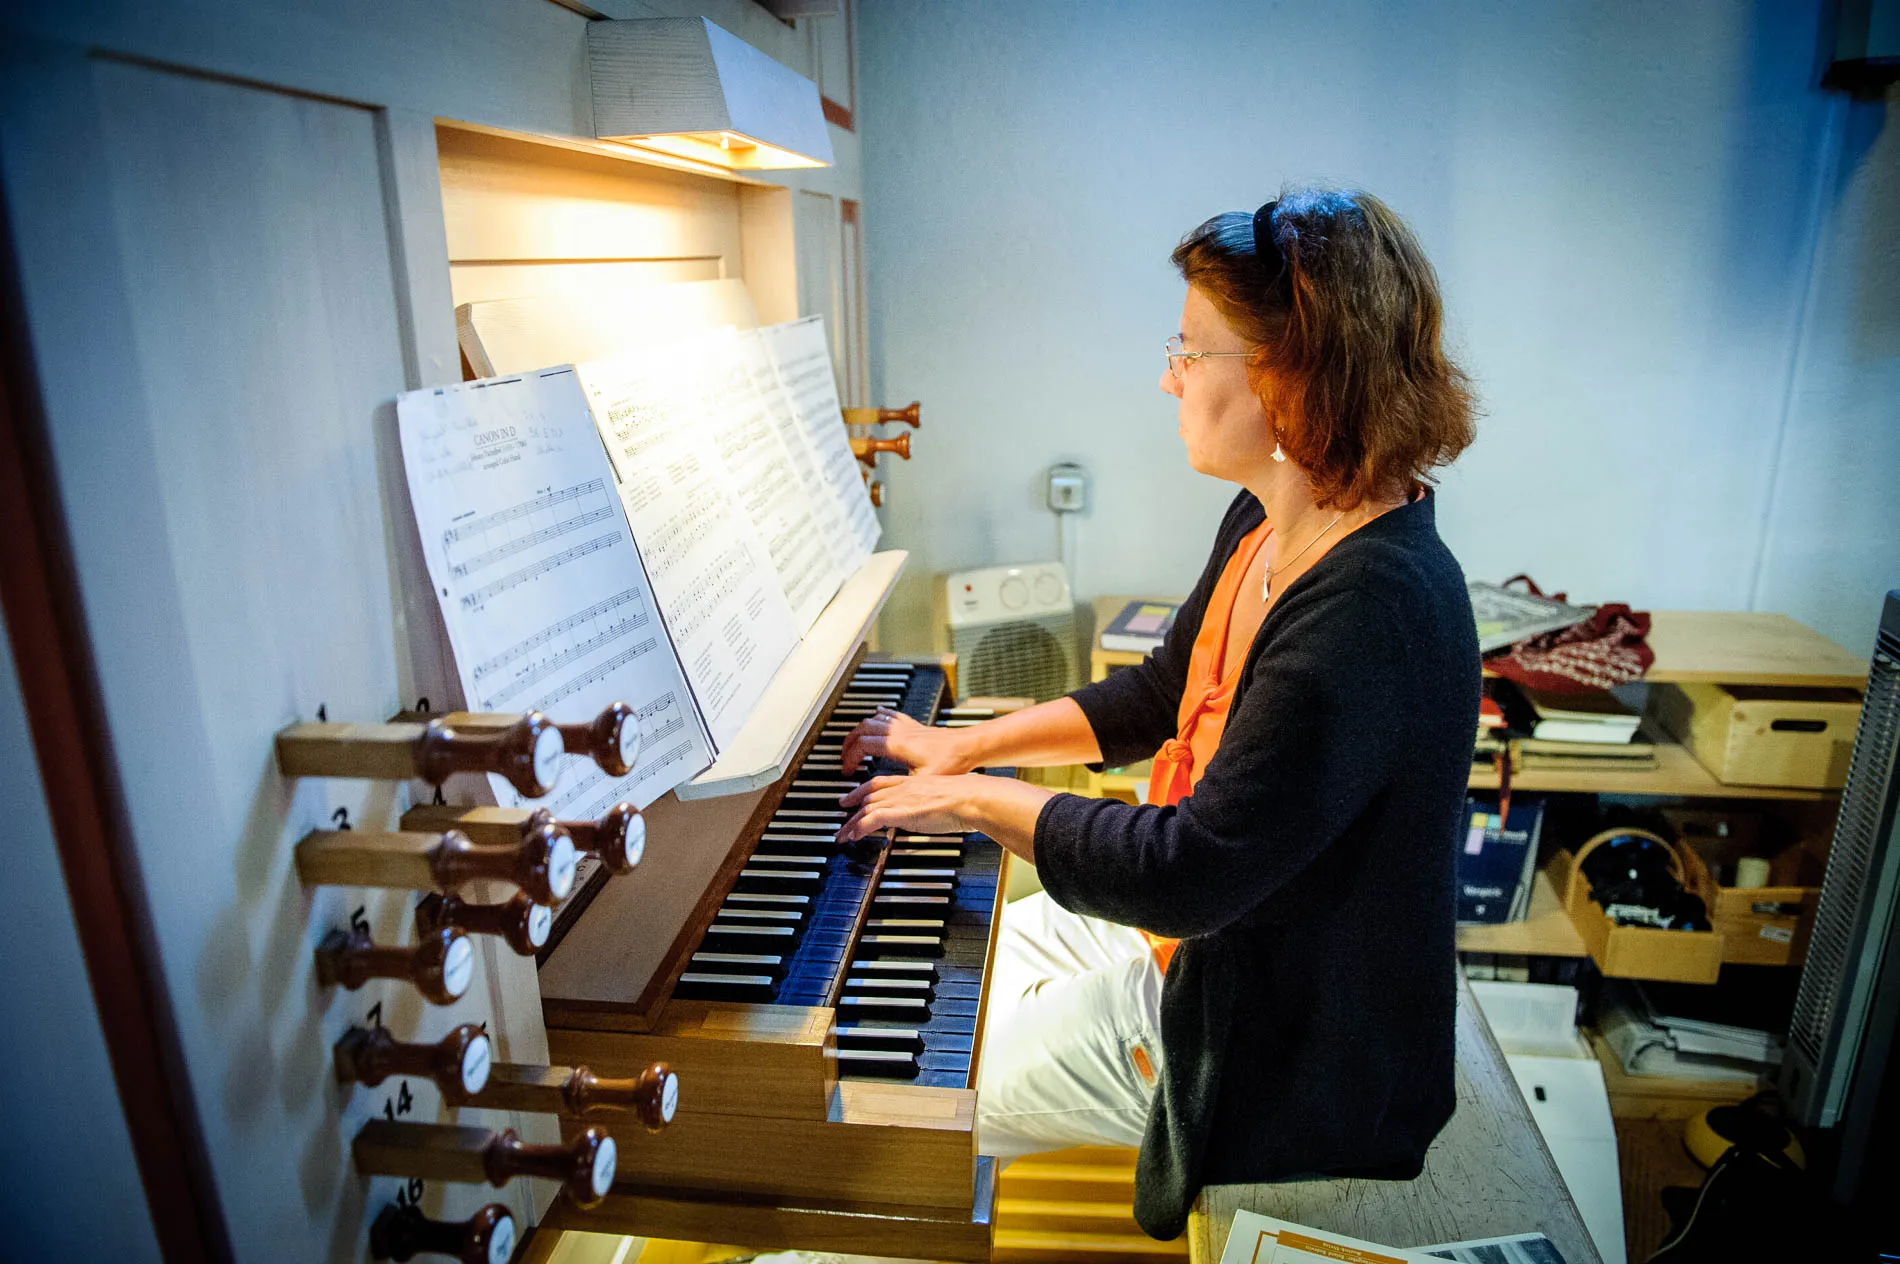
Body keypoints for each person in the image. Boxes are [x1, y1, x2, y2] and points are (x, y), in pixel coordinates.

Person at [836, 186, 1481, 1242]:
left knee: (907, 1093)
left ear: (1288, 376)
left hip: (1282, 1036)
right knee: (945, 968)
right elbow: (1159, 692)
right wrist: (965, 743)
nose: (1169, 376)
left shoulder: (1372, 609)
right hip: (1207, 942)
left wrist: (975, 800)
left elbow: (1187, 871)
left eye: (1190, 351)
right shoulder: (1272, 513)